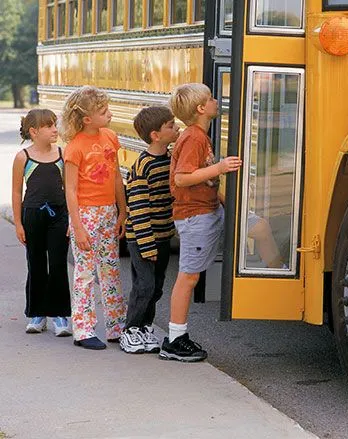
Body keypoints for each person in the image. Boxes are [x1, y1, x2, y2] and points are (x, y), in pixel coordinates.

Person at [159, 83, 242, 362]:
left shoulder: (198, 135)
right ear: (201, 108)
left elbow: (203, 180)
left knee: (257, 228)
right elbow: (182, 178)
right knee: (188, 276)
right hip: (195, 216)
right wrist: (220, 168)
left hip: (207, 209)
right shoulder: (194, 138)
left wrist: (221, 199)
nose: (216, 100)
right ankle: (174, 338)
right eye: (210, 98)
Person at [61, 86, 127, 350]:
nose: (109, 114)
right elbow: (71, 190)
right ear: (87, 119)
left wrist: (122, 211)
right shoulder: (75, 148)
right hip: (85, 214)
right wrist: (77, 226)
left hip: (109, 210)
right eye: (103, 111)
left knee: (111, 269)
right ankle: (83, 328)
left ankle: (116, 326)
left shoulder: (110, 137)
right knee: (85, 272)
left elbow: (117, 177)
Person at [119, 106, 180, 354]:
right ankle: (130, 330)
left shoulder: (170, 160)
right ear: (156, 134)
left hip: (163, 235)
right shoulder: (143, 165)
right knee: (143, 285)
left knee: (156, 286)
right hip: (142, 238)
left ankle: (145, 326)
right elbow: (139, 207)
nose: (176, 129)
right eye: (171, 126)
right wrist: (147, 244)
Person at [11, 109, 71, 337]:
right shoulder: (23, 157)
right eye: (49, 126)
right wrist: (18, 223)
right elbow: (16, 192)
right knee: (35, 264)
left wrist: (70, 220)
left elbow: (69, 190)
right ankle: (37, 313)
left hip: (58, 216)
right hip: (32, 216)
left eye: (55, 124)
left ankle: (60, 315)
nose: (55, 129)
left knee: (57, 264)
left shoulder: (62, 155)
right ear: (34, 132)